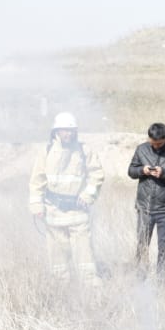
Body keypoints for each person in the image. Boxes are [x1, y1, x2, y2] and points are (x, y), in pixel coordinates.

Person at [29, 112, 105, 286]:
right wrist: (36, 206)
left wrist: (88, 195)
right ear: (56, 131)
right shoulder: (46, 152)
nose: (68, 134)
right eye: (64, 130)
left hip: (78, 211)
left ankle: (91, 287)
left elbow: (97, 174)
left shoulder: (85, 150)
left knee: (84, 253)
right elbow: (37, 181)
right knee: (56, 254)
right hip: (53, 211)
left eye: (71, 130)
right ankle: (61, 287)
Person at [128, 122, 165, 276]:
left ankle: (162, 279)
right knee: (142, 245)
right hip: (144, 207)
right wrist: (142, 170)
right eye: (153, 143)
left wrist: (164, 174)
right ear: (149, 138)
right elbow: (131, 171)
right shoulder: (141, 149)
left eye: (159, 143)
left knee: (164, 246)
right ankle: (140, 278)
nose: (156, 146)